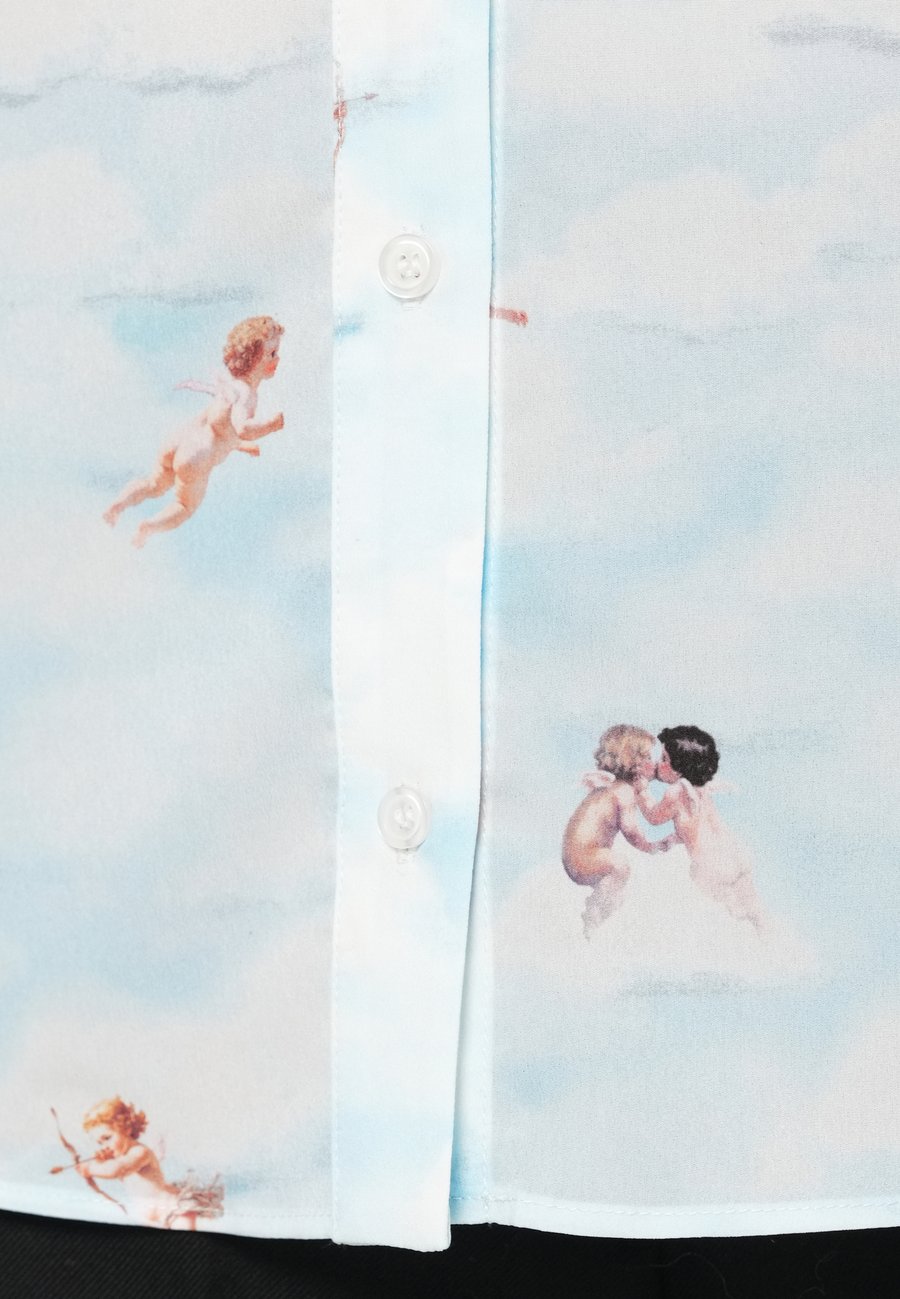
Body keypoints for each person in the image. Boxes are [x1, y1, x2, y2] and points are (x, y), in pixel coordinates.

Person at [102, 316, 285, 547]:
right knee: (185, 506)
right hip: (196, 458)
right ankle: (148, 527)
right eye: (272, 353)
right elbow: (242, 429)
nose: (277, 359)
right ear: (254, 359)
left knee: (154, 484)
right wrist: (271, 426)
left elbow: (222, 429)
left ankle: (117, 506)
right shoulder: (247, 395)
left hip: (180, 440)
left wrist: (244, 447)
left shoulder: (230, 388)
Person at [635, 726, 767, 933]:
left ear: (680, 767)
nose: (659, 764)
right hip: (735, 854)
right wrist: (677, 837)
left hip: (711, 866)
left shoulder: (677, 792)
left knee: (729, 917)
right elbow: (694, 825)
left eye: (664, 759)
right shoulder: (700, 788)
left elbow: (653, 817)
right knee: (753, 911)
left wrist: (641, 789)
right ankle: (767, 936)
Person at [562, 723, 676, 936]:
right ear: (634, 764)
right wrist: (651, 846)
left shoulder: (611, 787)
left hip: (575, 857)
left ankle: (601, 914)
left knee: (619, 877)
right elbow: (631, 831)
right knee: (620, 867)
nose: (654, 763)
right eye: (648, 758)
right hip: (584, 857)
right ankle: (596, 916)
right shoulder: (623, 792)